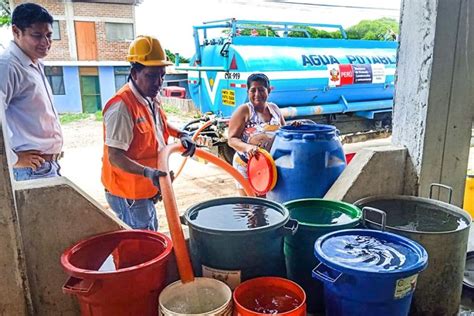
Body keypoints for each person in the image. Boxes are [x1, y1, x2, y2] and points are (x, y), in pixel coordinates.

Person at [101, 35, 196, 231]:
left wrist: (182, 135)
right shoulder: (122, 107)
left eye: (162, 75)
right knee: (140, 248)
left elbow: (160, 125)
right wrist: (148, 173)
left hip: (146, 189)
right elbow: (115, 157)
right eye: (151, 76)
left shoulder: (150, 97)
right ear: (134, 73)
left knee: (150, 236)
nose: (158, 82)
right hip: (129, 194)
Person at [0, 3, 63, 181]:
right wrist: (14, 159)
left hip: (45, 167)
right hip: (30, 171)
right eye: (37, 35)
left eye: (49, 35)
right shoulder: (8, 66)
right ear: (16, 31)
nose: (46, 42)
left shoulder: (35, 64)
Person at [228, 73, 285, 196]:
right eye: (253, 90)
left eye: (261, 90)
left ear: (269, 90)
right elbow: (232, 139)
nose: (257, 94)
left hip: (268, 165)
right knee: (248, 206)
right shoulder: (244, 111)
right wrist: (248, 147)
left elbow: (283, 132)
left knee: (266, 204)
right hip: (246, 165)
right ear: (248, 92)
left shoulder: (274, 109)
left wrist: (294, 126)